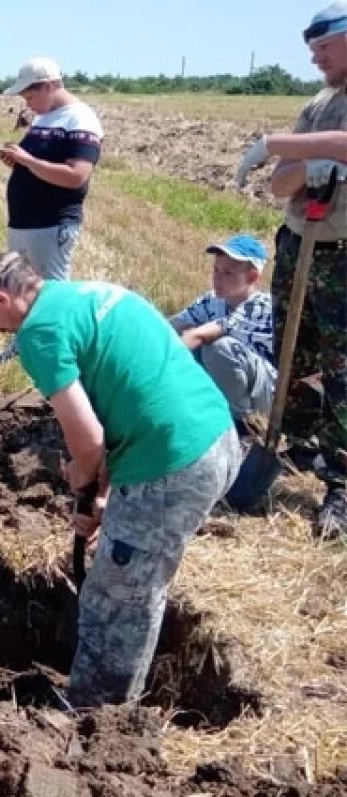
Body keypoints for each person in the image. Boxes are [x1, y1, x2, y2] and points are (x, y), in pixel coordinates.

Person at [0, 251, 240, 708]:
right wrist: (102, 493)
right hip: (216, 440)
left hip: (172, 464)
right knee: (130, 578)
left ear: (0, 297)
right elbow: (126, 402)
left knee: (119, 595)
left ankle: (97, 721)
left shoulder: (39, 334)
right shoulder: (94, 294)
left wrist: (82, 479)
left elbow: (88, 440)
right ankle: (107, 702)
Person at [233, 1, 347, 538]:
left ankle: (343, 484)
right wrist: (308, 165)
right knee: (292, 352)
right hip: (300, 242)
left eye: (324, 45)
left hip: (344, 253)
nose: (315, 56)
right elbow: (280, 184)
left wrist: (278, 144)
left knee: (344, 367)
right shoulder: (319, 104)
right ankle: (297, 444)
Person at [0, 58, 103, 365]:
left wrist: (26, 161)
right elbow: (38, 163)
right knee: (21, 288)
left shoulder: (80, 118)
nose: (30, 105)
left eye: (31, 96)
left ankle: (57, 358)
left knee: (51, 295)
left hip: (51, 223)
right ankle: (23, 347)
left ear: (51, 85)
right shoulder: (46, 117)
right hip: (24, 222)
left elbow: (77, 175)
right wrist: (19, 161)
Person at [170, 235, 275, 425]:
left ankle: (242, 424)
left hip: (266, 395)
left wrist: (159, 358)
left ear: (251, 277)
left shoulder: (261, 306)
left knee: (217, 347)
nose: (217, 278)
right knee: (193, 342)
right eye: (216, 270)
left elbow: (200, 335)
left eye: (228, 273)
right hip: (238, 386)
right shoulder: (213, 299)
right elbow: (172, 325)